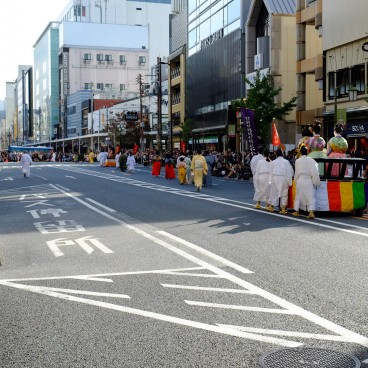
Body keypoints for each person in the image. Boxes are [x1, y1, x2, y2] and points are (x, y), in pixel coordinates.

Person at [292, 146, 321, 219]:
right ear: (307, 152)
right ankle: (311, 212)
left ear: (300, 152)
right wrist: (316, 182)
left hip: (300, 180)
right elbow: (315, 172)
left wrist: (295, 180)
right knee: (310, 196)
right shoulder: (311, 160)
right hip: (308, 180)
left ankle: (296, 210)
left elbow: (296, 172)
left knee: (298, 196)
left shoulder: (297, 161)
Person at [268, 147, 294, 213]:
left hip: (275, 178)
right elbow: (290, 171)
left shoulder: (273, 162)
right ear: (282, 154)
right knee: (284, 193)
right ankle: (283, 208)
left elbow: (270, 172)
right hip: (283, 178)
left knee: (274, 192)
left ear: (276, 154)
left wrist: (270, 181)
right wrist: (289, 182)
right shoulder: (286, 162)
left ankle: (272, 206)